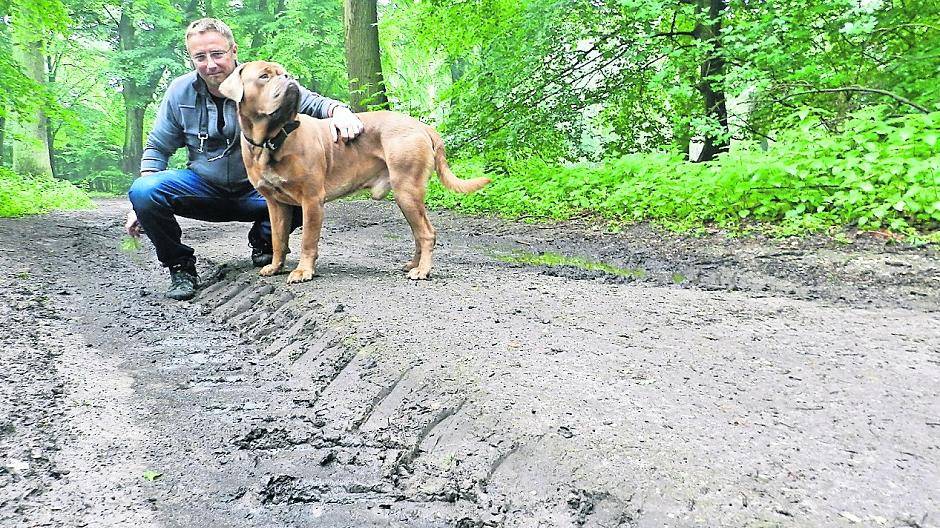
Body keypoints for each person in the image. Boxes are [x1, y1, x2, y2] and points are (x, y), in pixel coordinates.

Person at [125, 18, 364, 300]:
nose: (210, 64)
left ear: (233, 50)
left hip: (258, 192)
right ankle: (180, 266)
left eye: (217, 54)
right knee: (143, 192)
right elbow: (157, 148)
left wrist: (340, 111)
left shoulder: (258, 79)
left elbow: (309, 100)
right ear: (192, 59)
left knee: (306, 193)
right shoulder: (179, 92)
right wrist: (136, 207)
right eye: (200, 57)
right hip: (204, 188)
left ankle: (266, 241)